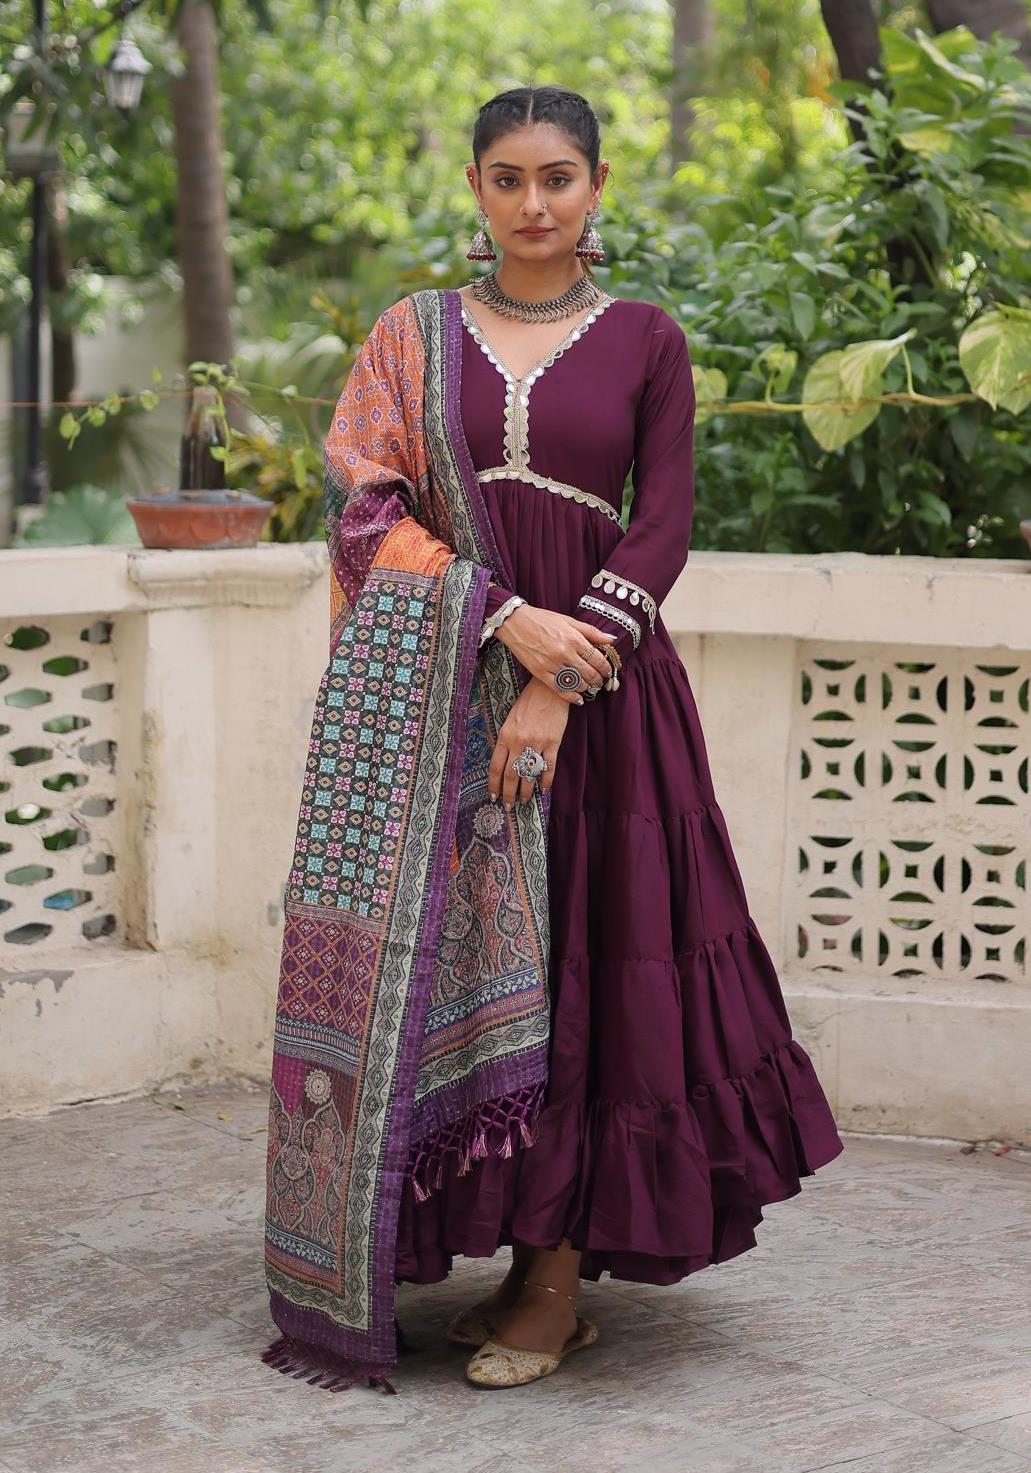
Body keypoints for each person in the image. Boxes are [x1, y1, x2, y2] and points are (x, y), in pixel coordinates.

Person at [261, 83, 844, 1397]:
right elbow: (362, 505)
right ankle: (503, 1242)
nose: (535, 202)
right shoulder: (412, 335)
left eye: (559, 177)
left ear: (596, 187)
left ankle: (557, 1278)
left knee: (592, 967)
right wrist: (501, 622)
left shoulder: (646, 339)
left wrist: (559, 680)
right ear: (476, 189)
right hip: (446, 698)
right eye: (510, 178)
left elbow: (663, 524)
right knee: (468, 968)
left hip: (608, 700)